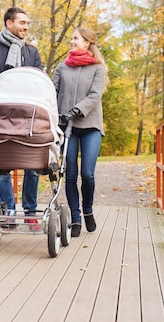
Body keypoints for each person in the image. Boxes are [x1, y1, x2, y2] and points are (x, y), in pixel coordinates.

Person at [0, 7, 41, 228]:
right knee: (1, 166)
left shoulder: (32, 52)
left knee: (32, 166)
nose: (26, 27)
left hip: (28, 117)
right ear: (9, 24)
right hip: (1, 115)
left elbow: (37, 83)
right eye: (22, 22)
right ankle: (8, 212)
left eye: (27, 23)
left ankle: (31, 211)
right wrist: (3, 102)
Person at [52, 27, 108, 237]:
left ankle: (88, 210)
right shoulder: (62, 67)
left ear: (87, 42)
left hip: (90, 125)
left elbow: (95, 95)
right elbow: (52, 91)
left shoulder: (98, 69)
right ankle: (75, 219)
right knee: (70, 174)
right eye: (72, 38)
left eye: (75, 38)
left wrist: (75, 110)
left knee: (87, 174)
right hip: (67, 127)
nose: (72, 41)